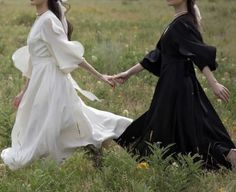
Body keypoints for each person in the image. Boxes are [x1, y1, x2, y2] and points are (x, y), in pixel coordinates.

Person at [0, 0, 132, 170]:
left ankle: (114, 133)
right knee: (56, 120)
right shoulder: (40, 19)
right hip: (39, 82)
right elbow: (33, 61)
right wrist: (23, 91)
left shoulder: (48, 20)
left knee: (57, 121)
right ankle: (91, 148)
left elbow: (71, 54)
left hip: (51, 82)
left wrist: (100, 76)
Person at [113, 0, 236, 169]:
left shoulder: (184, 23)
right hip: (171, 83)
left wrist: (213, 83)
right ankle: (223, 154)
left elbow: (197, 53)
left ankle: (224, 154)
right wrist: (128, 73)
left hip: (178, 84)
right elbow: (158, 55)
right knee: (181, 124)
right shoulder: (177, 22)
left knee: (173, 124)